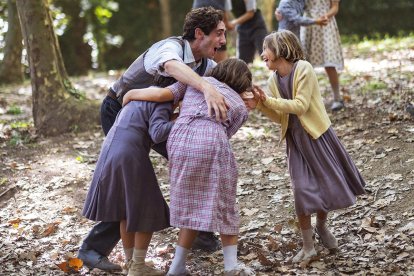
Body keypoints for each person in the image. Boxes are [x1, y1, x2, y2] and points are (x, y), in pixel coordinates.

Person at [78, 6, 228, 271]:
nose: (223, 40)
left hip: (157, 117)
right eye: (218, 33)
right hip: (121, 112)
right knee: (128, 182)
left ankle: (199, 232)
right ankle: (93, 248)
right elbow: (172, 67)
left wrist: (249, 89)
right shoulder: (168, 48)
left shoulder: (206, 64)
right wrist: (204, 87)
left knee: (194, 160)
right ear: (198, 33)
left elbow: (226, 79)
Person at [123, 58, 255, 275]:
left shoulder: (194, 82)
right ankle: (231, 266)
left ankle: (177, 267)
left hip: (179, 141)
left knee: (192, 201)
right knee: (225, 203)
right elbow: (225, 134)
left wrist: (129, 94)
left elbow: (160, 95)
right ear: (242, 84)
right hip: (211, 141)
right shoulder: (239, 105)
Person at [251, 30, 365, 263]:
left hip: (317, 137)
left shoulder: (304, 69)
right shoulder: (273, 80)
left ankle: (322, 227)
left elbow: (300, 106)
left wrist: (267, 100)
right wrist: (260, 105)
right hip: (296, 141)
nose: (262, 54)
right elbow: (280, 115)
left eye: (266, 49)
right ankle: (308, 246)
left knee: (324, 185)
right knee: (301, 191)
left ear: (281, 49)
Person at [82, 96, 175, 275]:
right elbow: (157, 132)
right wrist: (183, 120)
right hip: (129, 155)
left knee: (126, 210)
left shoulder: (139, 98)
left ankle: (130, 263)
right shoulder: (162, 102)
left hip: (111, 150)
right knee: (148, 209)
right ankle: (138, 267)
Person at [301, 0, 344, 111]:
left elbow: (335, 7)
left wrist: (324, 16)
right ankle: (305, 100)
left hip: (325, 24)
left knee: (329, 62)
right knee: (304, 64)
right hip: (308, 23)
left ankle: (337, 98)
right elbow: (295, 4)